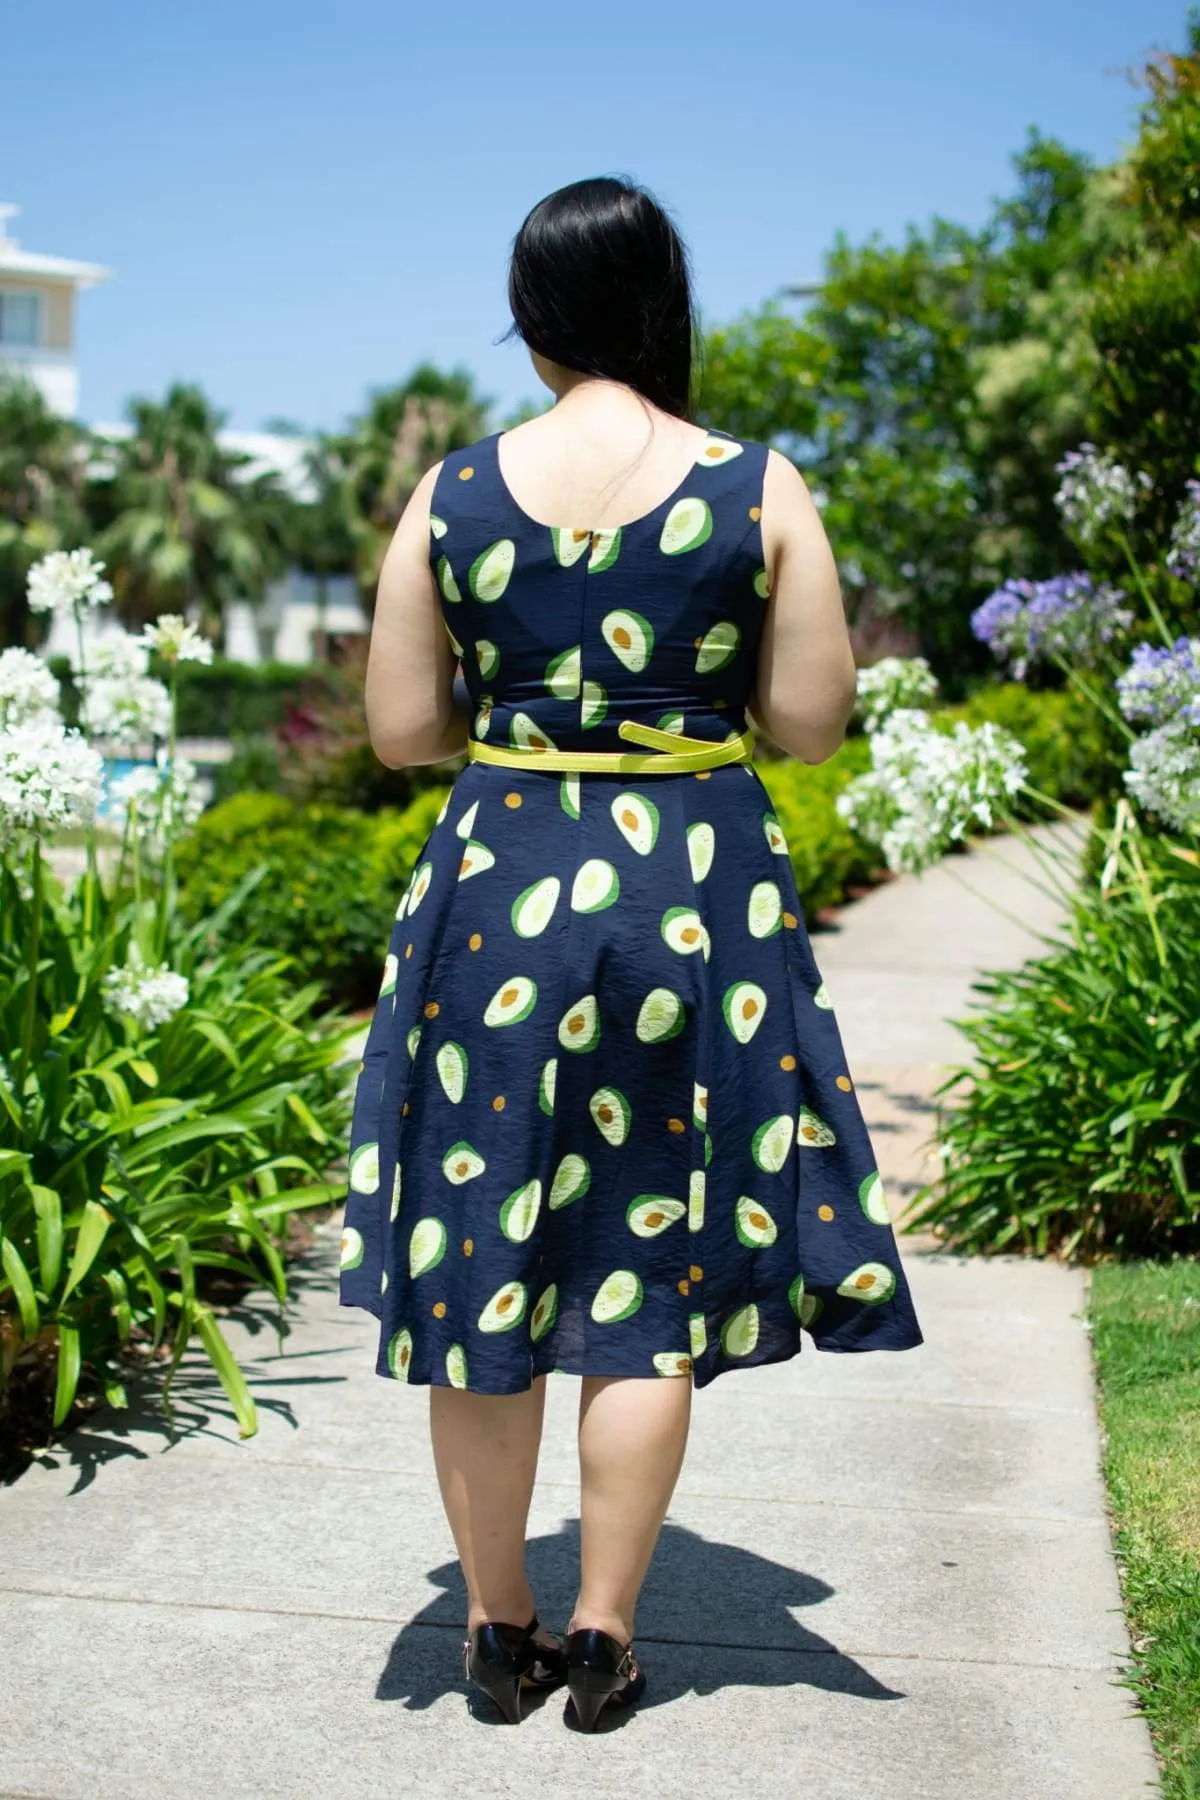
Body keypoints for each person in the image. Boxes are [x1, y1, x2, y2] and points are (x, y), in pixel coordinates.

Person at [339, 174, 924, 1732]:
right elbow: (807, 723)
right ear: (664, 310)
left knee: (489, 1258)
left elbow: (402, 729)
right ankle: (604, 1638)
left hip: (501, 889)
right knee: (642, 1271)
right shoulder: (756, 484)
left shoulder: (454, 492)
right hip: (690, 897)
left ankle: (496, 1629)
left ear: (531, 318)